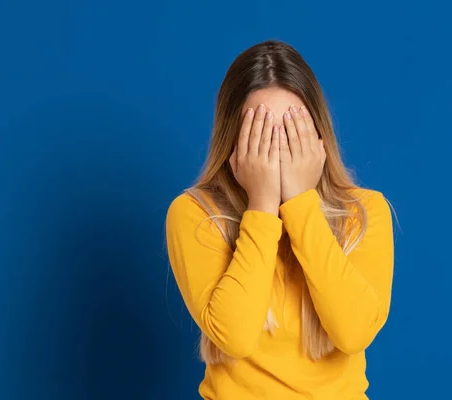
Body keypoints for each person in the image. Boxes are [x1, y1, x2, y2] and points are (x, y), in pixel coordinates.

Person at [165, 39, 394, 400]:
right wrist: (263, 202)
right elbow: (234, 337)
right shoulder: (195, 213)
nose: (278, 147)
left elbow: (354, 332)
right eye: (260, 132)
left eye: (292, 130)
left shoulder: (363, 212)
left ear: (318, 134)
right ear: (233, 139)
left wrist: (302, 204)